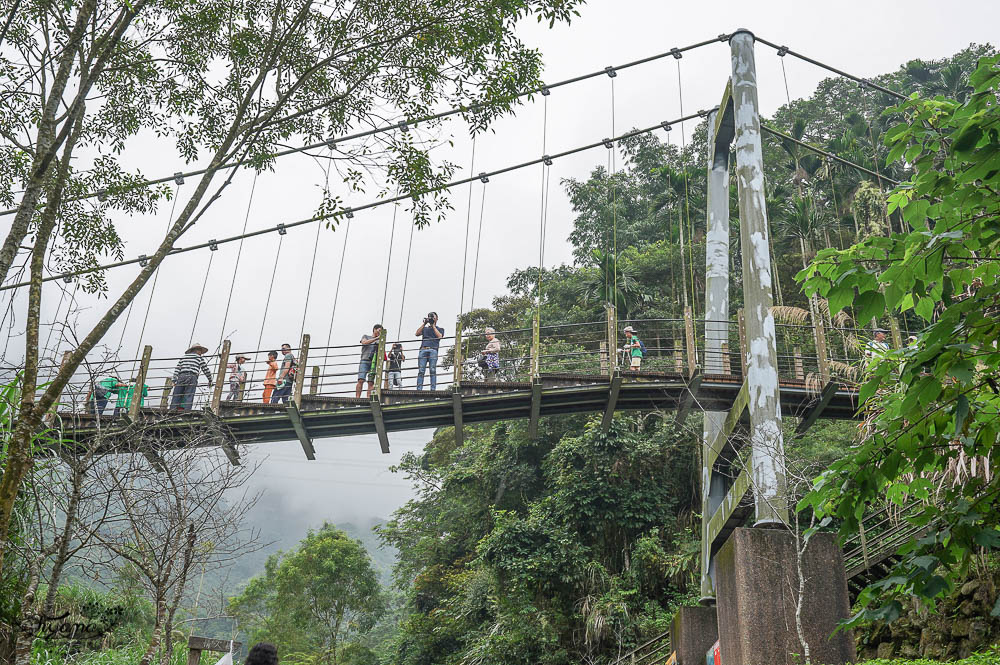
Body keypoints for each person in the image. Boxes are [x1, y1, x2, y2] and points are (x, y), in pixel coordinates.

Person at [171, 342, 213, 411]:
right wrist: (210, 379)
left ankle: (172, 410)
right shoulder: (199, 358)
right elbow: (205, 369)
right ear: (197, 350)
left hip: (181, 376)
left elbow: (177, 368)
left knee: (177, 395)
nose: (201, 353)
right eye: (200, 351)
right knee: (189, 395)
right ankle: (186, 411)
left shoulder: (183, 357)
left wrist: (174, 380)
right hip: (192, 376)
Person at [414, 312, 444, 390]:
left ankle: (433, 389)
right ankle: (419, 389)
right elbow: (417, 333)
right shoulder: (425, 328)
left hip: (433, 350)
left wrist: (433, 325)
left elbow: (439, 336)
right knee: (421, 370)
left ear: (436, 319)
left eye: (433, 317)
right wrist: (424, 324)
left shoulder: (440, 329)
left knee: (432, 370)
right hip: (423, 349)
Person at [356, 324, 383, 398]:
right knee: (361, 380)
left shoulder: (380, 341)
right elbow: (364, 342)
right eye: (379, 330)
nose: (379, 333)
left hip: (373, 362)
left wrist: (379, 340)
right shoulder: (366, 336)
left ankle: (368, 398)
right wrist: (376, 338)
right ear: (374, 329)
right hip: (364, 360)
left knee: (371, 382)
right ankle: (357, 398)